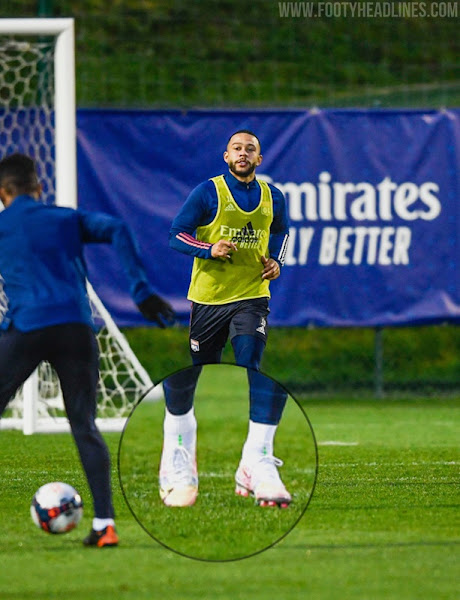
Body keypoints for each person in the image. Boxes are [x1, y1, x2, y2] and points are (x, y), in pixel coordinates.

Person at [0, 153, 174, 546]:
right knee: (84, 425)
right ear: (38, 187)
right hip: (76, 329)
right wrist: (140, 290)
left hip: (27, 328)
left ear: (2, 193)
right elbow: (117, 229)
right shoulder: (65, 219)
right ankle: (105, 526)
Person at [160, 130, 291, 508]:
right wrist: (208, 248)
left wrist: (276, 261)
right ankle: (179, 446)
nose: (243, 153)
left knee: (252, 363)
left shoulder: (273, 196)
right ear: (226, 156)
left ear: (259, 159)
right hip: (208, 299)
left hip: (252, 296)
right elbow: (175, 235)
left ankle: (256, 459)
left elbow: (281, 231)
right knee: (195, 371)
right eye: (237, 148)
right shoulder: (208, 192)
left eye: (250, 149)